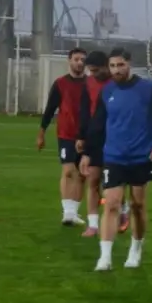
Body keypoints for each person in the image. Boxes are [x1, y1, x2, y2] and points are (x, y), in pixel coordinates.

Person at [80, 48, 152, 272]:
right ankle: (105, 257)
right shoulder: (107, 91)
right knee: (112, 203)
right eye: (112, 66)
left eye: (120, 65)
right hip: (113, 157)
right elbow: (97, 125)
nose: (116, 70)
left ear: (129, 63)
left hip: (140, 156)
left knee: (137, 205)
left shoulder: (148, 89)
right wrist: (87, 152)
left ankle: (136, 248)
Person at [77, 51, 130, 238]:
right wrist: (82, 137)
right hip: (95, 137)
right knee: (92, 180)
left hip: (116, 139)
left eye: (96, 71)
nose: (93, 75)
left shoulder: (118, 85)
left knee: (113, 183)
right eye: (90, 71)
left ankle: (123, 210)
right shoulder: (89, 84)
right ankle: (93, 225)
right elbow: (84, 111)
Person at [37, 47, 88, 226]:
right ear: (69, 61)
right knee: (68, 172)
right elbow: (50, 109)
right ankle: (67, 212)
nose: (80, 62)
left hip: (87, 136)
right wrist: (41, 133)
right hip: (66, 134)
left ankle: (74, 212)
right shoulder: (60, 84)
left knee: (82, 174)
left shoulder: (90, 84)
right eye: (76, 59)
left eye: (82, 59)